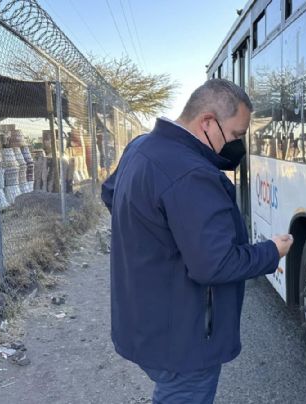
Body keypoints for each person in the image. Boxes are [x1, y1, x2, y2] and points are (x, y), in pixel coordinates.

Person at [101, 79, 294, 404]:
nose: (234, 147)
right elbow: (216, 264)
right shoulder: (192, 175)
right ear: (207, 121)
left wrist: (158, 243)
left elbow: (111, 193)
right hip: (183, 340)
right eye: (234, 135)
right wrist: (272, 250)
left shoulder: (141, 147)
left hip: (146, 323)